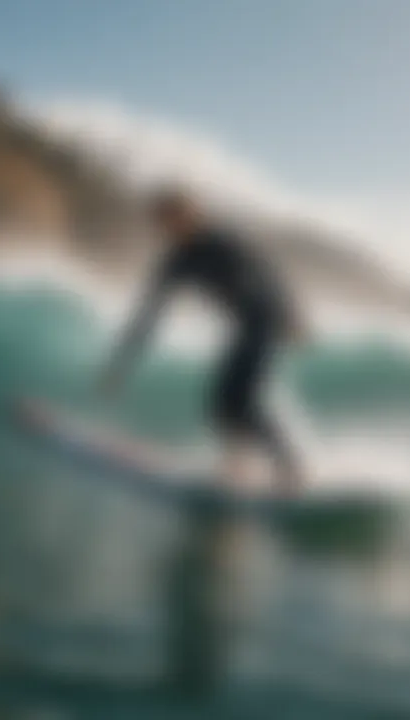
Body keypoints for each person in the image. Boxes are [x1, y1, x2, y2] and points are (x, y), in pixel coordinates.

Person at [97, 187, 307, 494]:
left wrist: (292, 314)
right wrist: (120, 365)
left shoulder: (222, 242)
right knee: (221, 405)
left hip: (266, 321)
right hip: (243, 328)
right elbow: (148, 316)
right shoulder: (176, 262)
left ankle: (291, 470)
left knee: (244, 403)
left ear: (193, 215)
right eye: (166, 222)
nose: (173, 226)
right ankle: (237, 467)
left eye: (179, 217)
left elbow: (266, 274)